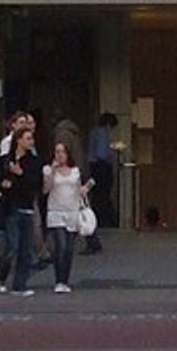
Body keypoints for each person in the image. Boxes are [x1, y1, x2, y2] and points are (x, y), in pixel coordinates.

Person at [0, 113, 43, 296]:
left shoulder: (33, 162)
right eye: (28, 138)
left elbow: (34, 184)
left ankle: (20, 284)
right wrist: (7, 184)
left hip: (27, 207)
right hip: (11, 208)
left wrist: (18, 176)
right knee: (13, 246)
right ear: (18, 140)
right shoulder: (5, 161)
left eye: (31, 138)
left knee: (25, 249)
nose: (31, 141)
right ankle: (1, 274)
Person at [42, 138, 88, 293]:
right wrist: (53, 171)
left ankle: (65, 280)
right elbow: (46, 190)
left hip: (72, 211)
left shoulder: (75, 171)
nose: (59, 155)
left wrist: (84, 189)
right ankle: (59, 281)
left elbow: (79, 187)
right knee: (60, 246)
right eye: (57, 152)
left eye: (62, 152)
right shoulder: (48, 170)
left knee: (68, 248)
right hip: (56, 211)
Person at [83, 112, 118, 251]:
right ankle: (102, 221)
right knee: (102, 194)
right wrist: (112, 151)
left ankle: (100, 220)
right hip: (101, 167)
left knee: (98, 195)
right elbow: (101, 154)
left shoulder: (94, 132)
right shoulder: (102, 133)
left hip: (94, 167)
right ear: (108, 124)